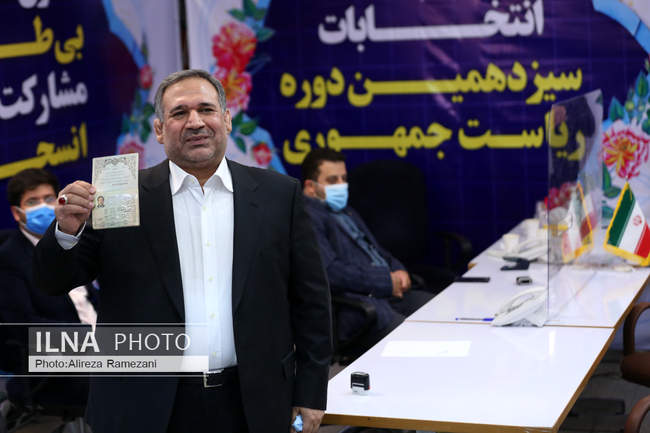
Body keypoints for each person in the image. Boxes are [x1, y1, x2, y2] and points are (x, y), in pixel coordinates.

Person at [33, 70, 332, 433]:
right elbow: (53, 281)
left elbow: (311, 302)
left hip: (253, 402)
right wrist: (66, 231)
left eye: (206, 109)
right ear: (159, 130)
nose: (195, 122)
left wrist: (311, 391)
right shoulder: (119, 196)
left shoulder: (279, 195)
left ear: (226, 119)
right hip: (144, 407)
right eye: (179, 113)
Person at [301, 148, 433, 357]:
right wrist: (386, 281)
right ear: (310, 187)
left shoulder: (346, 211)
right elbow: (330, 272)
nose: (341, 185)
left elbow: (376, 250)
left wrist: (399, 270)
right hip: (359, 306)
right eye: (332, 180)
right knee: (417, 343)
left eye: (344, 179)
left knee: (439, 314)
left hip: (387, 294)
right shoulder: (308, 217)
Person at [0, 168, 96, 412]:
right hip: (52, 366)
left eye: (49, 198)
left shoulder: (74, 239)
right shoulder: (8, 258)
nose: (43, 206)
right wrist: (89, 340)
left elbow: (92, 302)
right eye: (32, 202)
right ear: (16, 213)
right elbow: (21, 326)